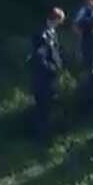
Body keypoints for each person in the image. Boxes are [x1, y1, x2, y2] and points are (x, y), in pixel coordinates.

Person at [30, 7, 66, 142]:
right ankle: (41, 136)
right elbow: (40, 57)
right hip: (43, 77)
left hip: (51, 75)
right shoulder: (42, 33)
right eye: (59, 21)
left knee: (51, 105)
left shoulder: (52, 32)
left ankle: (50, 133)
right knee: (43, 107)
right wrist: (52, 68)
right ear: (54, 19)